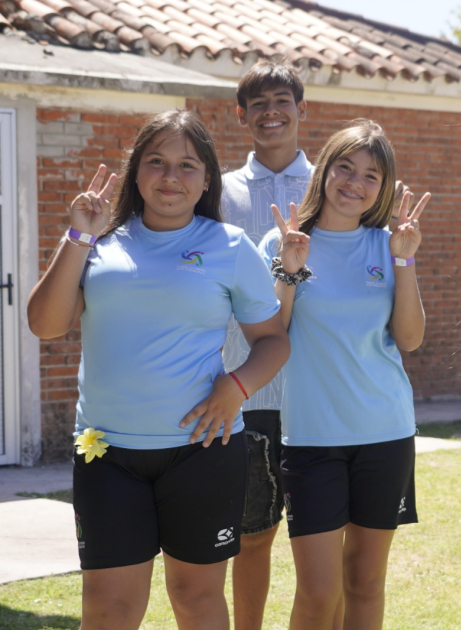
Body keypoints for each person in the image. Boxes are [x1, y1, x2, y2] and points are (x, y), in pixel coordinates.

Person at [26, 110, 290, 630]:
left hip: (203, 451)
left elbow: (274, 341)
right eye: (157, 162)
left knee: (195, 599)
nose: (171, 177)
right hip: (109, 454)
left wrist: (235, 387)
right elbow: (45, 324)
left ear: (207, 178)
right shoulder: (99, 243)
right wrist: (78, 236)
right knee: (109, 609)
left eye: (187, 165)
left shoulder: (230, 247)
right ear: (136, 172)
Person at [261, 119, 430, 630]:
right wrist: (288, 270)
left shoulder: (390, 244)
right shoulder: (285, 239)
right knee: (317, 593)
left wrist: (404, 262)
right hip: (312, 439)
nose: (355, 182)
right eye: (345, 167)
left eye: (371, 175)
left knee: (364, 583)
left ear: (384, 187)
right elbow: (271, 337)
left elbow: (409, 339)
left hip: (386, 433)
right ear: (325, 170)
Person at [220, 58, 314, 630]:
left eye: (283, 101)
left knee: (321, 542)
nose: (271, 113)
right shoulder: (221, 190)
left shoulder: (332, 182)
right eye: (259, 104)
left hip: (317, 391)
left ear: (303, 110)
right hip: (246, 387)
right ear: (242, 116)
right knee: (252, 538)